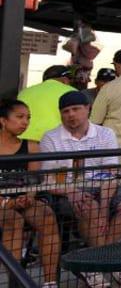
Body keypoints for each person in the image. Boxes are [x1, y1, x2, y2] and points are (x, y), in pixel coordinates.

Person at [39, 91, 121, 287]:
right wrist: (71, 191)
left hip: (104, 187)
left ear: (88, 109)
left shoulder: (105, 133)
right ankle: (111, 263)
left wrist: (104, 206)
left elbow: (111, 174)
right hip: (66, 191)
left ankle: (94, 261)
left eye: (76, 109)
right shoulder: (51, 138)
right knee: (89, 207)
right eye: (65, 111)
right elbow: (48, 180)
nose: (71, 115)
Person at [0, 100, 60, 287]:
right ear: (3, 120)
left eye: (28, 118)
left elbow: (34, 180)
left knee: (47, 215)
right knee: (13, 219)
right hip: (2, 202)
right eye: (19, 117)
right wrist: (4, 203)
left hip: (22, 198)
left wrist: (29, 197)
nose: (25, 122)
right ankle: (15, 283)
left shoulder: (32, 146)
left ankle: (51, 282)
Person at [17, 64, 74, 142]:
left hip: (22, 139)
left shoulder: (24, 92)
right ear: (65, 80)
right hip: (54, 141)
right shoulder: (72, 92)